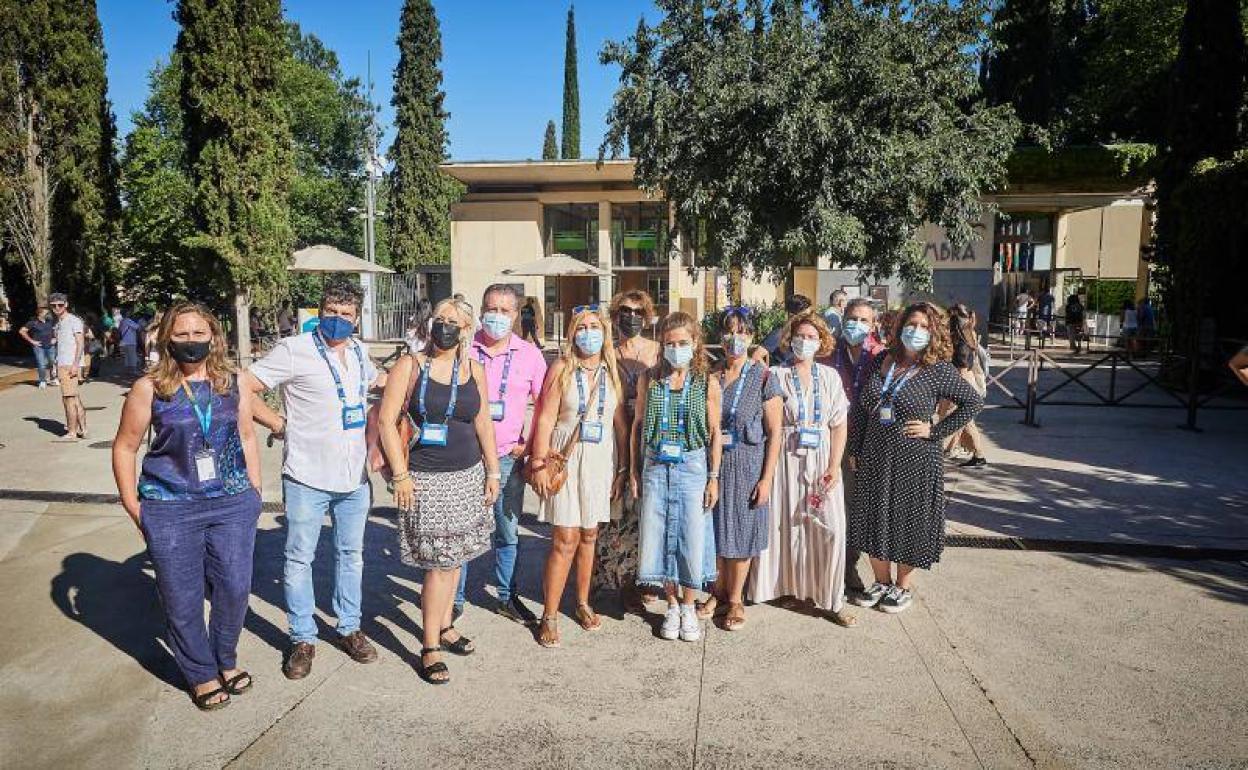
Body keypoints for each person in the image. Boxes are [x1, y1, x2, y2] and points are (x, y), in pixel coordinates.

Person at [111, 302, 262, 710]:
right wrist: (133, 505)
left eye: (199, 334)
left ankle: (225, 659)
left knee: (233, 587)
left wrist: (255, 490)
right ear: (167, 339)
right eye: (182, 334)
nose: (191, 342)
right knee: (182, 595)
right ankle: (200, 672)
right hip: (170, 504)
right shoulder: (151, 388)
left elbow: (247, 434)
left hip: (232, 501)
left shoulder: (233, 382)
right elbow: (125, 447)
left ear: (213, 336)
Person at [244, 281, 384, 680]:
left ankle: (349, 627)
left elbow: (377, 383)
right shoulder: (295, 350)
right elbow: (245, 384)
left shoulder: (359, 352)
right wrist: (275, 422)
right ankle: (302, 637)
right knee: (298, 558)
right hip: (306, 474)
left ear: (356, 318)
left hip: (354, 476)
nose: (338, 320)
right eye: (332, 312)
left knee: (350, 555)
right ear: (318, 312)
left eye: (346, 314)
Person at [378, 297, 499, 684]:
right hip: (426, 479)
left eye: (453, 322)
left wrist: (493, 471)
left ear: (467, 331)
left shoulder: (474, 369)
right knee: (439, 564)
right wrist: (400, 475)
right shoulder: (409, 365)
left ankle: (445, 626)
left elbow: (483, 423)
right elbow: (386, 421)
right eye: (439, 319)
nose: (443, 326)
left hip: (467, 475)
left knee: (458, 557)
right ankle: (429, 646)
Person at [847, 303, 983, 613]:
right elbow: (863, 409)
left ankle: (901, 586)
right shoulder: (884, 360)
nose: (916, 331)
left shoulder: (938, 371)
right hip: (875, 454)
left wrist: (935, 429)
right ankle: (880, 581)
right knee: (873, 516)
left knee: (908, 520)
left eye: (924, 326)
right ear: (899, 327)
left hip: (916, 458)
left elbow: (972, 403)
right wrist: (855, 448)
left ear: (934, 333)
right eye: (911, 324)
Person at [529, 307, 629, 647]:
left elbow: (620, 425)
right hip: (565, 459)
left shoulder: (611, 371)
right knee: (564, 539)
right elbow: (544, 419)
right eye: (582, 328)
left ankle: (583, 602)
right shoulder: (561, 368)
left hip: (601, 460)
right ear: (572, 334)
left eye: (594, 327)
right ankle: (550, 614)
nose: (589, 333)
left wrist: (623, 469)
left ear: (605, 332)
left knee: (589, 536)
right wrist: (539, 463)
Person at [751, 312, 856, 627]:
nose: (805, 342)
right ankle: (785, 589)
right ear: (789, 338)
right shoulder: (775, 375)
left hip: (822, 459)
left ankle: (831, 598)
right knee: (786, 527)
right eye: (800, 336)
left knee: (832, 529)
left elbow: (839, 424)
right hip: (785, 458)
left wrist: (835, 465)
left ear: (822, 341)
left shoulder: (830, 377)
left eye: (812, 337)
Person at [451, 284, 546, 624]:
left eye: (505, 311)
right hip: (463, 457)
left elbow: (546, 405)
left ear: (517, 315)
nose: (497, 317)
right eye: (491, 309)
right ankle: (454, 598)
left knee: (507, 531)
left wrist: (532, 444)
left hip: (508, 458)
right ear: (481, 309)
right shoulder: (463, 348)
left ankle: (506, 595)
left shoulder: (530, 355)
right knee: (460, 532)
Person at [630, 311, 723, 642]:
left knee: (691, 538)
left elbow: (714, 433)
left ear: (695, 343)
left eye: (683, 343)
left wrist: (713, 477)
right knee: (660, 535)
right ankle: (670, 604)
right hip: (656, 464)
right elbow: (638, 428)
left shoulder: (707, 382)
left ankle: (688, 604)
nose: (676, 349)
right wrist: (634, 471)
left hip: (693, 465)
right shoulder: (650, 379)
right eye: (670, 343)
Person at [699, 308, 781, 631]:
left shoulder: (763, 377)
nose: (735, 338)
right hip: (717, 465)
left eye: (742, 331)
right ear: (721, 336)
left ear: (751, 336)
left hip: (748, 464)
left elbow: (775, 433)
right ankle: (716, 593)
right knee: (717, 530)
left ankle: (735, 598)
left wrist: (767, 478)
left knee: (743, 532)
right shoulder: (713, 376)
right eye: (730, 331)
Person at [594, 289, 662, 611]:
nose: (631, 317)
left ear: (647, 316)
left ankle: (648, 578)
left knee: (649, 509)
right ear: (615, 314)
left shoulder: (659, 351)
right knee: (618, 508)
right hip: (615, 437)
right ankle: (620, 581)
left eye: (638, 311)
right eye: (625, 311)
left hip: (652, 438)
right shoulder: (607, 352)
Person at [823, 297, 884, 600]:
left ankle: (849, 570)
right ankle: (824, 570)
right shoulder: (827, 351)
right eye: (852, 318)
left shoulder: (881, 357)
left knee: (855, 511)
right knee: (828, 508)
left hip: (865, 446)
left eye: (864, 320)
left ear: (873, 325)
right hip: (830, 443)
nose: (856, 325)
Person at [945, 304, 988, 468]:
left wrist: (956, 392)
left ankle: (978, 455)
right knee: (966, 420)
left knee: (965, 419)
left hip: (963, 381)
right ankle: (972, 453)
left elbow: (962, 367)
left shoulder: (962, 342)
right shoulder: (968, 335)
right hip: (966, 380)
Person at [50, 293, 88, 438]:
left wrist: (75, 364)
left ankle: (72, 432)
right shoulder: (59, 323)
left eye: (60, 305)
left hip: (69, 364)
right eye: (53, 306)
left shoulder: (73, 320)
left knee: (68, 399)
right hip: (63, 363)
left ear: (66, 304)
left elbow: (80, 343)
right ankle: (83, 429)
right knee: (74, 398)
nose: (57, 308)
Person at [758, 294, 813, 365]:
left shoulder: (805, 334)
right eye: (806, 316)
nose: (810, 319)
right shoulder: (779, 333)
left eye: (810, 315)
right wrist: (769, 374)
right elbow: (757, 356)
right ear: (792, 315)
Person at [19, 305, 57, 388]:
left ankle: (53, 379)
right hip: (39, 347)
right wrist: (32, 341)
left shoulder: (50, 321)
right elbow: (22, 331)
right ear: (40, 314)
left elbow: (56, 330)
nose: (48, 314)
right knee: (41, 364)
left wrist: (55, 338)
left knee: (52, 362)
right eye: (46, 313)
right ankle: (42, 381)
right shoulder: (32, 322)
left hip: (51, 346)